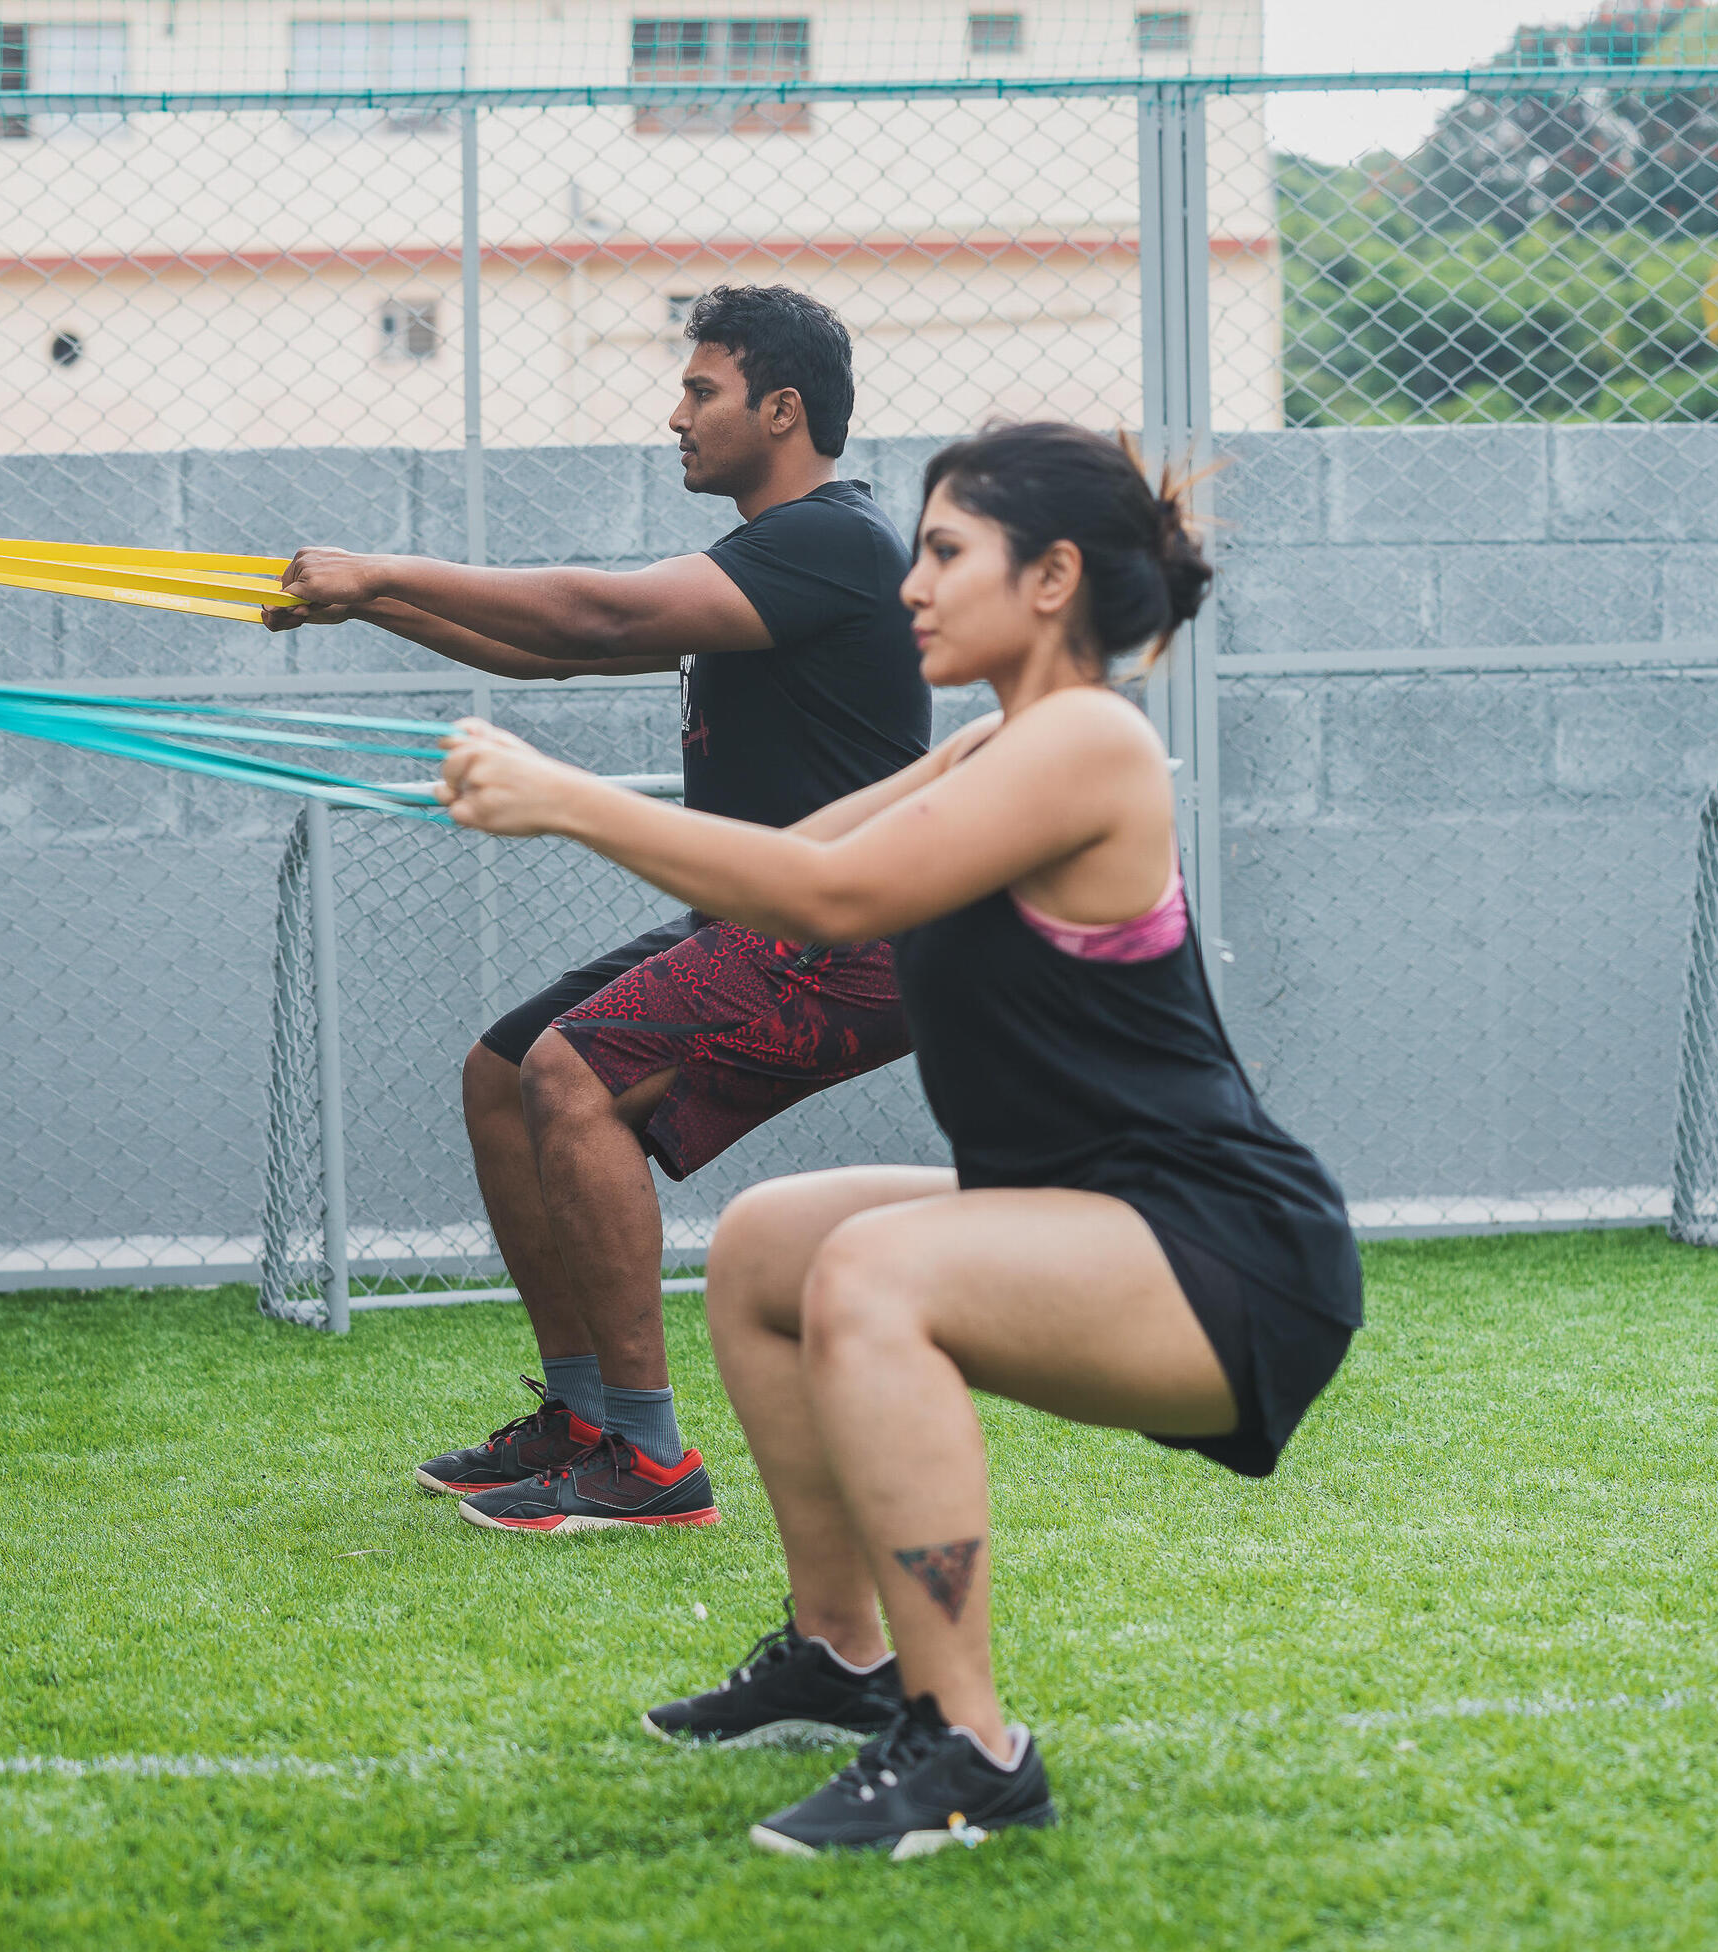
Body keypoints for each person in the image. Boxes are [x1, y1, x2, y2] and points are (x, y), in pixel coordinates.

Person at [427, 422, 1363, 1855]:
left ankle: (974, 1746)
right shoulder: (1000, 742)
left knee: (870, 1273)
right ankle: (845, 1661)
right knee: (768, 1248)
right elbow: (795, 867)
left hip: (1222, 1251)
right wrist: (567, 804)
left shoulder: (1093, 741)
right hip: (1095, 1218)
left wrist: (565, 801)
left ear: (1050, 578)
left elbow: (833, 900)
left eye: (944, 554)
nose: (911, 585)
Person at [274, 286, 929, 1532]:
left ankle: (651, 1458)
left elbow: (600, 611)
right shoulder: (769, 559)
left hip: (844, 934)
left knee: (573, 1078)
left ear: (780, 409)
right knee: (503, 1067)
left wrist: (385, 564)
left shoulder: (832, 542)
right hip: (758, 919)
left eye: (701, 391)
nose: (673, 415)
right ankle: (580, 1415)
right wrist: (366, 604)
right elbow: (551, 655)